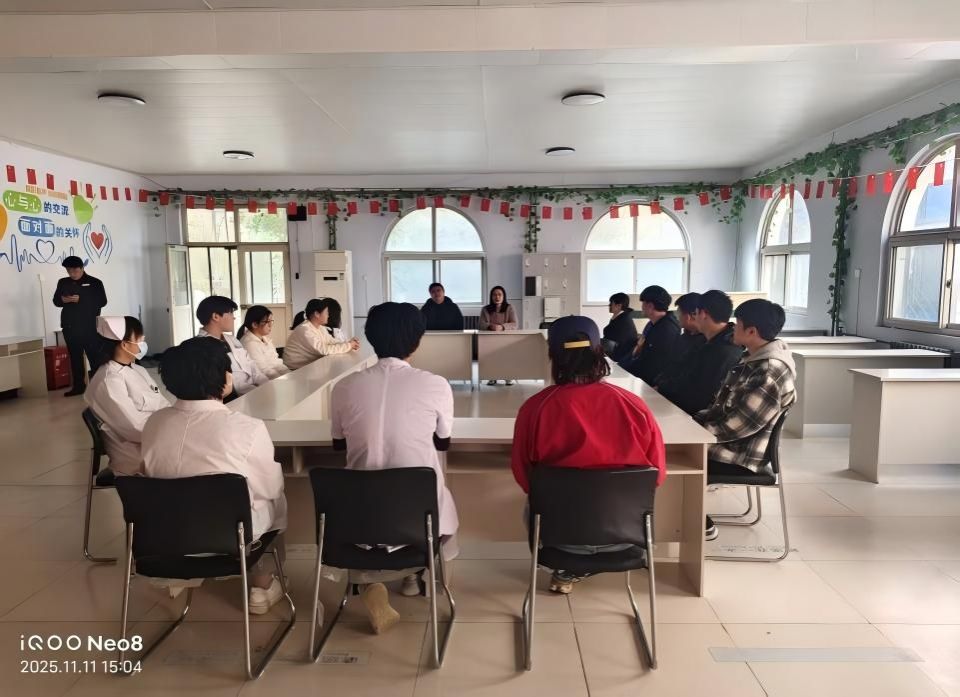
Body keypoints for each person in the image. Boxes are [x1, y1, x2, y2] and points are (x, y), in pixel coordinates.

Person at [511, 316, 666, 594]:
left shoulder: (536, 408)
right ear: (599, 352)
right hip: (627, 537)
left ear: (553, 356)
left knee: (537, 497)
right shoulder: (633, 405)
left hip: (558, 539)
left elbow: (524, 477)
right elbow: (657, 474)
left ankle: (567, 568)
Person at [330, 302, 458, 634]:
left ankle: (369, 581)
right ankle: (417, 574)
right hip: (417, 516)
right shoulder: (435, 385)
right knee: (433, 493)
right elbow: (443, 441)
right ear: (417, 341)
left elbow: (338, 444)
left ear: (371, 337)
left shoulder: (344, 387)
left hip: (357, 518)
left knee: (375, 492)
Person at [142, 337, 288, 614]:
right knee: (275, 497)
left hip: (162, 537)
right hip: (229, 537)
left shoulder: (153, 424)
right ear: (224, 378)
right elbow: (270, 488)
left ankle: (181, 576)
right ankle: (262, 585)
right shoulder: (246, 427)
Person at [694, 299, 797, 541]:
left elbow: (739, 425)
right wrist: (695, 420)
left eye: (737, 323)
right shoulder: (753, 358)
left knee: (672, 457)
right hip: (732, 443)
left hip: (740, 454)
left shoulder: (768, 371)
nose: (732, 327)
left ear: (751, 331)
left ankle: (697, 521)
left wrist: (697, 434)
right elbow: (723, 407)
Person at [83, 316, 170, 475]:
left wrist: (175, 422)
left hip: (157, 439)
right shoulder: (108, 381)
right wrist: (171, 429)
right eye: (139, 339)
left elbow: (163, 404)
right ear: (124, 344)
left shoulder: (137, 369)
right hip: (137, 456)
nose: (143, 343)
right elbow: (134, 428)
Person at [657, 290, 743, 415]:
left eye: (696, 313)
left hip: (692, 416)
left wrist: (662, 391)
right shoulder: (705, 341)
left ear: (703, 314)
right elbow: (681, 369)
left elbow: (698, 396)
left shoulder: (723, 351)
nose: (694, 318)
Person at [52, 256, 107, 396]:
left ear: (82, 268)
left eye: (75, 270)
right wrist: (63, 300)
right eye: (69, 271)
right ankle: (78, 387)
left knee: (94, 358)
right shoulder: (63, 282)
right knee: (75, 358)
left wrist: (81, 299)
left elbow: (102, 301)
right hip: (70, 327)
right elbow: (56, 301)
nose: (72, 274)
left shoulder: (95, 282)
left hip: (90, 327)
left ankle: (98, 388)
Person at [195, 295, 268, 398]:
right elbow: (233, 383)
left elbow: (251, 365)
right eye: (230, 313)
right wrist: (258, 392)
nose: (234, 317)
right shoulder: (200, 347)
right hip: (235, 398)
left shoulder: (231, 339)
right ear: (216, 316)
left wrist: (267, 385)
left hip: (255, 391)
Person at [620, 285, 680, 385]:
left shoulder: (667, 330)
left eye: (643, 303)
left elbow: (655, 364)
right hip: (642, 377)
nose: (642, 307)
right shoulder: (653, 324)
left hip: (652, 384)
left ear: (650, 306)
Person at [283, 298, 360, 370]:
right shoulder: (305, 330)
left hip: (308, 368)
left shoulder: (320, 327)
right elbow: (324, 350)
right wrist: (349, 345)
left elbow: (331, 341)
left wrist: (349, 343)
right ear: (317, 314)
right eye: (326, 313)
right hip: (295, 370)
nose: (328, 316)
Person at [238, 305, 290, 379]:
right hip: (265, 382)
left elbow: (277, 363)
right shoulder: (249, 344)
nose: (270, 325)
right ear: (255, 324)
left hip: (276, 379)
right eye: (267, 322)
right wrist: (285, 380)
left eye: (271, 321)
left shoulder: (265, 339)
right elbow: (264, 371)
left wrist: (290, 374)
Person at [480, 285, 519, 385]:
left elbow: (515, 324)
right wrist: (490, 326)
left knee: (506, 357)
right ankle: (492, 377)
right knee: (491, 358)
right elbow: (481, 324)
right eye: (494, 295)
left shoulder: (509, 308)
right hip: (490, 339)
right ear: (491, 296)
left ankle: (508, 377)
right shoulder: (485, 309)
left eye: (499, 294)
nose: (497, 297)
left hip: (505, 339)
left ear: (503, 296)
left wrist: (502, 327)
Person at [601, 292, 639, 363]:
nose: (609, 305)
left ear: (619, 305)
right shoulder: (622, 316)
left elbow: (610, 337)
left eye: (611, 303)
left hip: (620, 357)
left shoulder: (623, 320)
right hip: (620, 353)